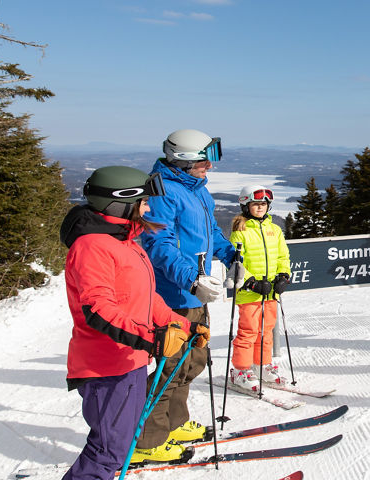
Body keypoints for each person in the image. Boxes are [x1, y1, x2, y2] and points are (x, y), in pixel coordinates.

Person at [60, 166, 209, 479]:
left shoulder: (125, 243)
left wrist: (184, 327)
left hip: (129, 360)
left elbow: (148, 299)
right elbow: (98, 309)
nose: (148, 207)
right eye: (143, 201)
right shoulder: (92, 247)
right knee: (108, 450)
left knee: (120, 443)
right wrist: (151, 340)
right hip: (107, 367)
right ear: (120, 201)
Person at [135, 129, 243, 463]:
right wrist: (191, 279)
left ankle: (174, 422)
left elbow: (210, 231)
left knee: (192, 360)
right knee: (170, 364)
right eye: (203, 160)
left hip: (195, 293)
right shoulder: (163, 191)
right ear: (182, 159)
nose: (208, 166)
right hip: (172, 294)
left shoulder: (195, 189)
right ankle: (147, 440)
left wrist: (231, 256)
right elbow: (157, 244)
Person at [228, 185, 292, 391]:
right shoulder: (241, 231)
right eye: (255, 204)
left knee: (266, 331)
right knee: (248, 331)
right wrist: (251, 282)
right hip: (250, 293)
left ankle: (261, 365)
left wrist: (284, 275)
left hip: (270, 291)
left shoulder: (275, 230)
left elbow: (283, 255)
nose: (260, 207)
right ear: (246, 205)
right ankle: (240, 369)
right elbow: (236, 262)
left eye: (264, 204)